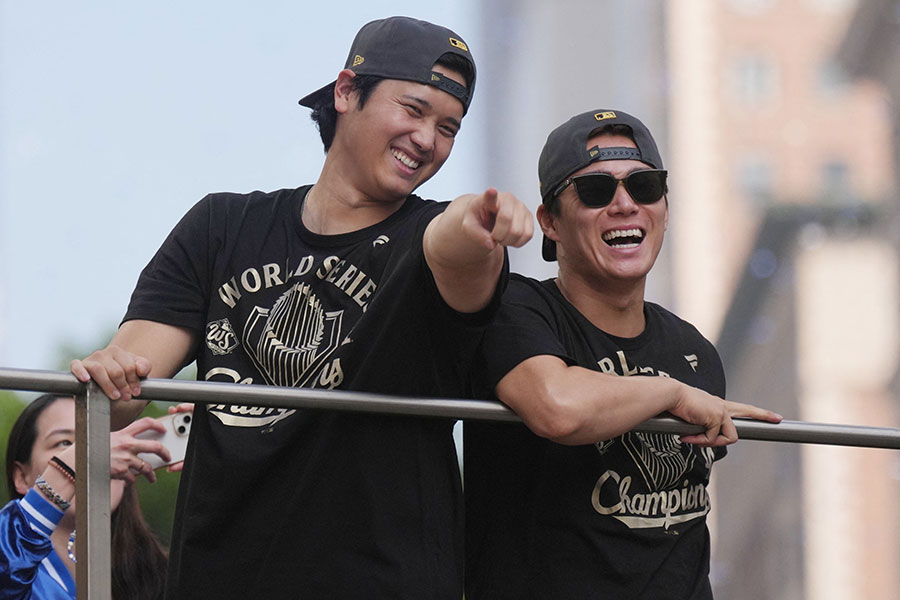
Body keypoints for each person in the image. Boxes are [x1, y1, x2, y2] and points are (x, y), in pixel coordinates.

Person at [70, 15, 532, 600]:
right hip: (221, 577)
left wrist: (477, 217)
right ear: (346, 91)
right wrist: (111, 373)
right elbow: (125, 385)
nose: (426, 140)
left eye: (448, 128)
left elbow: (453, 245)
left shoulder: (430, 235)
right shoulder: (222, 226)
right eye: (413, 110)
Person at [463, 109, 782, 599]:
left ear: (665, 210)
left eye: (645, 186)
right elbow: (557, 407)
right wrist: (672, 394)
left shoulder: (693, 350)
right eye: (595, 191)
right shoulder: (516, 307)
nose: (625, 204)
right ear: (550, 221)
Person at [1, 394, 170, 600]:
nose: (100, 455)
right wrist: (70, 467)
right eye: (65, 443)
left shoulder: (163, 573)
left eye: (107, 442)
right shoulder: (12, 566)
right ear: (21, 476)